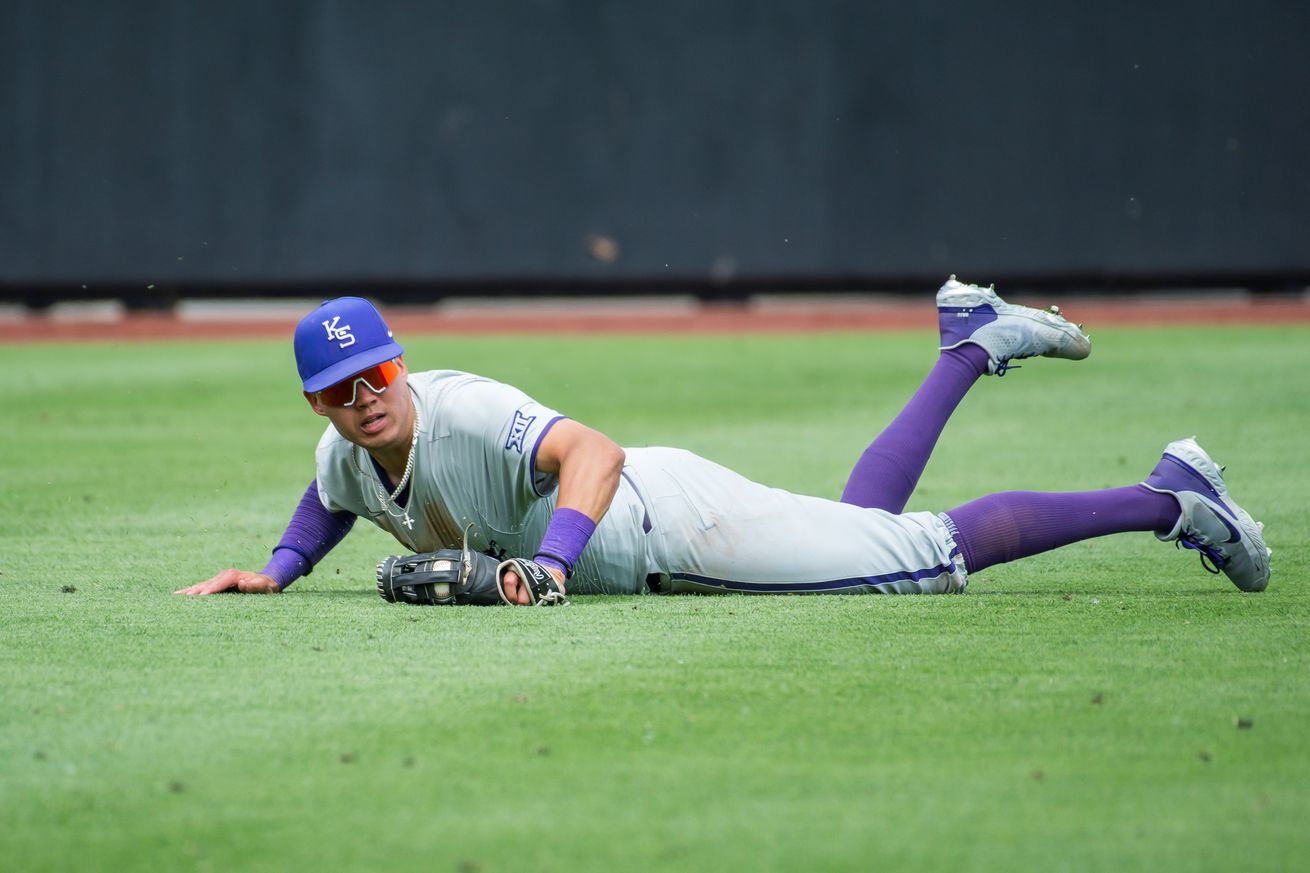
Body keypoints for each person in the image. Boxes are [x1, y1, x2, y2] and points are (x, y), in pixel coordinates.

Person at [177, 278, 1272, 603]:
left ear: (398, 362)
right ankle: (967, 345)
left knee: (920, 559)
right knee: (868, 527)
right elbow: (328, 501)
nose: (361, 400)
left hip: (665, 519)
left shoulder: (457, 408)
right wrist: (275, 573)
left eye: (372, 375)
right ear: (317, 404)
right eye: (335, 390)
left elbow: (593, 453)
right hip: (657, 529)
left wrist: (549, 565)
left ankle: (1171, 495)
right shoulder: (341, 449)